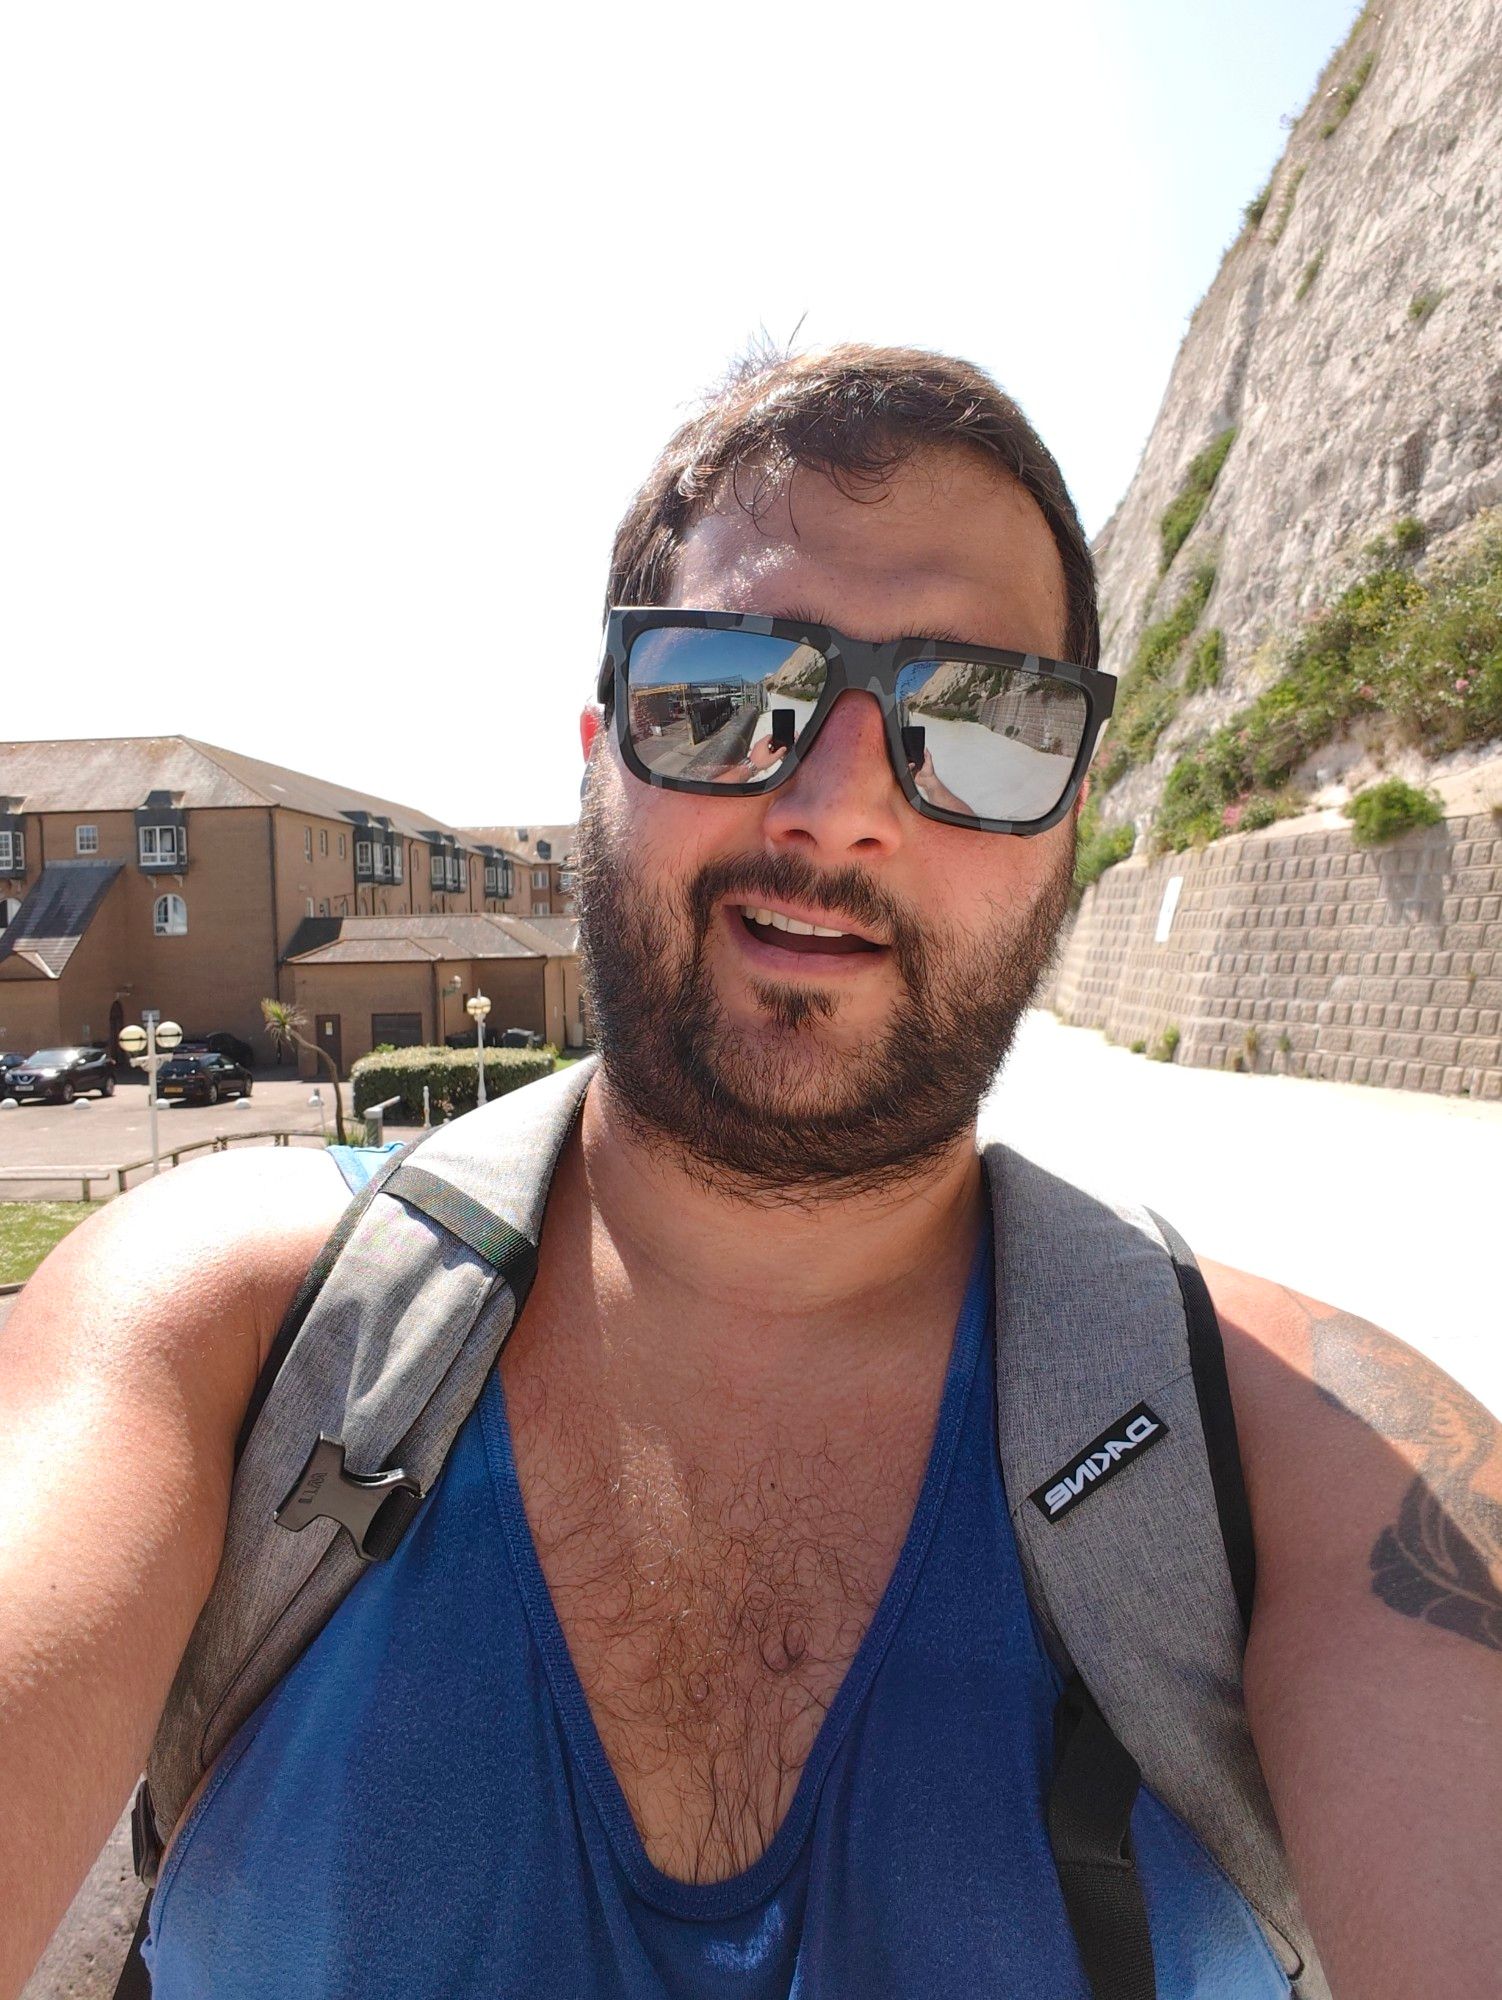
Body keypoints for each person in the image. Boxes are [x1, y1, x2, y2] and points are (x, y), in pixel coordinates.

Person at [4, 345, 1499, 2000]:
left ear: (1074, 815)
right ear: (596, 756)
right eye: (724, 690)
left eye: (983, 722)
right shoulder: (214, 1327)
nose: (838, 800)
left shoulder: (1337, 1473)